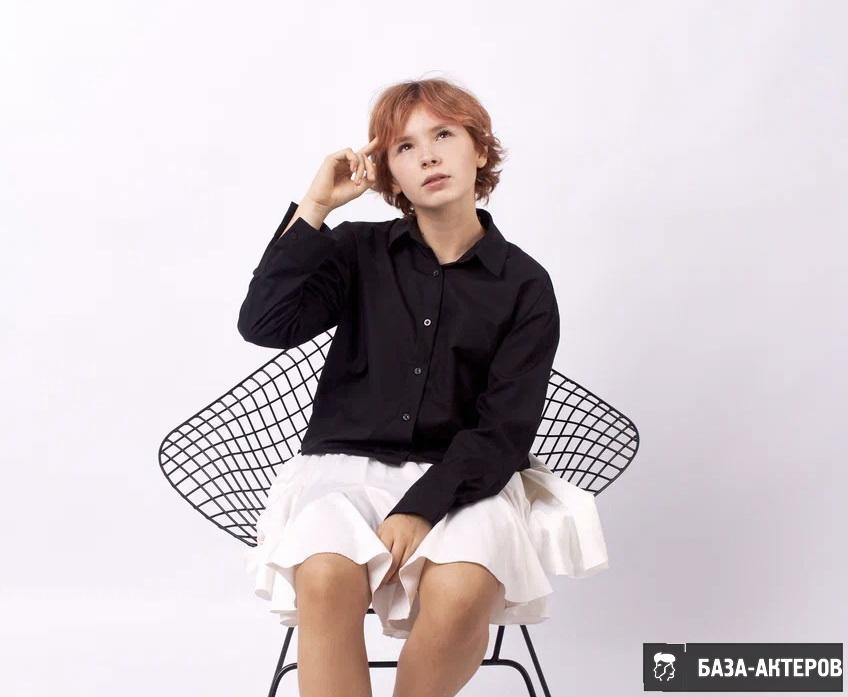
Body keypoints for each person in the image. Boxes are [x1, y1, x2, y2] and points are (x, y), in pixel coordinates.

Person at [240, 77, 609, 697]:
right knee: (325, 574)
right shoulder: (356, 251)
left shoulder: (523, 284)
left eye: (443, 135)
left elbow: (506, 426)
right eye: (405, 147)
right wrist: (316, 206)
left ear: (479, 150)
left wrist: (420, 506)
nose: (429, 157)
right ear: (389, 172)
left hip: (467, 478)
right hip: (344, 471)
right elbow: (264, 324)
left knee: (462, 587)